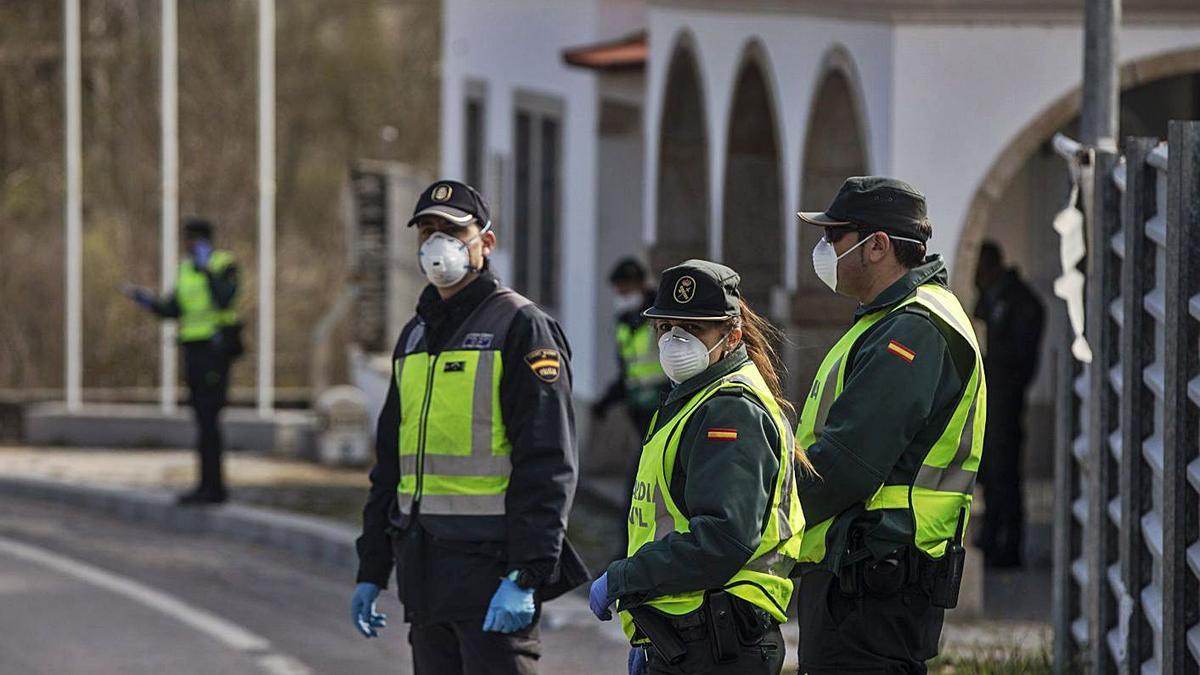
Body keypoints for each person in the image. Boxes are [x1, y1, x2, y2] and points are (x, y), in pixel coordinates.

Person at [350, 180, 588, 675]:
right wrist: (372, 567)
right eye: (428, 231)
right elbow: (390, 464)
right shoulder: (414, 337)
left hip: (492, 574)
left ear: (486, 241)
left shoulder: (521, 327)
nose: (439, 243)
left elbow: (548, 462)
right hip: (425, 576)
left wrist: (527, 574)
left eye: (454, 230)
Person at [792, 177, 986, 673]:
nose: (824, 247)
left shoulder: (913, 328)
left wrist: (762, 511)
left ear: (877, 245)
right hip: (867, 572)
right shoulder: (889, 319)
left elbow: (846, 464)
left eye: (835, 235)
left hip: (874, 577)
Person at [587, 260, 807, 675]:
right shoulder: (693, 399)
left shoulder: (729, 411)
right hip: (683, 638)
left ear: (732, 335)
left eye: (693, 328)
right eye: (666, 327)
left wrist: (625, 578)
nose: (674, 340)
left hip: (717, 641)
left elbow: (721, 539)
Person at [126, 217, 242, 505]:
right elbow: (173, 309)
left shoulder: (224, 265)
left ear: (205, 242)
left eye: (192, 241)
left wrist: (207, 270)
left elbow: (225, 300)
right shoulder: (185, 270)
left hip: (215, 351)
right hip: (193, 351)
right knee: (202, 420)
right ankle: (206, 485)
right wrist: (148, 301)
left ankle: (215, 488)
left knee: (210, 420)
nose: (188, 246)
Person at [972, 240, 1044, 568]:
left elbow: (1020, 355)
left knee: (1005, 475)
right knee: (989, 472)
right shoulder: (991, 298)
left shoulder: (1020, 301)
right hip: (991, 397)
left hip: (1007, 399)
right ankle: (990, 538)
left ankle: (1009, 545)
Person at [592, 257, 672, 437]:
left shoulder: (661, 315)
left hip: (663, 400)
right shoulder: (624, 322)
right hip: (638, 403)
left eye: (626, 291)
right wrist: (607, 400)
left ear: (641, 285)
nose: (622, 297)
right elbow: (627, 369)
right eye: (619, 293)